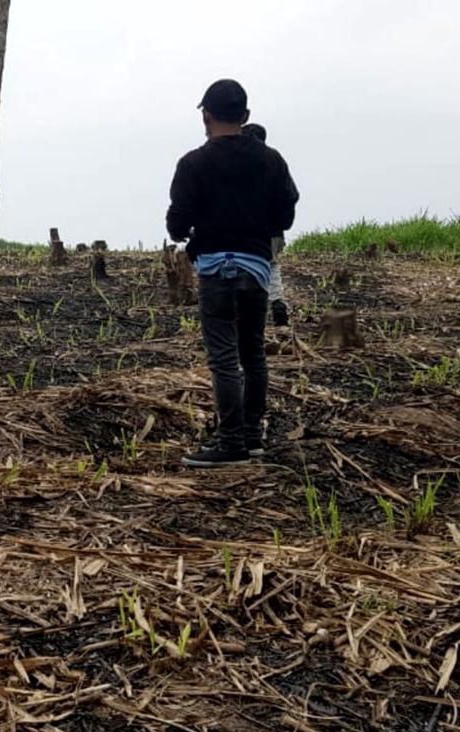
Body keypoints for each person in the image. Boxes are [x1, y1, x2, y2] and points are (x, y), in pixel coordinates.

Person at [167, 79, 299, 467]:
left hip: (214, 269)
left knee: (224, 358)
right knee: (253, 353)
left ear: (206, 116)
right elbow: (284, 215)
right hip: (256, 268)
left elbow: (177, 221)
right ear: (245, 116)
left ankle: (231, 443)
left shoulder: (193, 163)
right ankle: (252, 436)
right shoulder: (271, 160)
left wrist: (187, 231)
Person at [242, 123, 291, 327]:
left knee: (244, 269)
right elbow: (289, 195)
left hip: (245, 230)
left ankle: (249, 313)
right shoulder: (274, 160)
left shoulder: (234, 164)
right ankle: (277, 301)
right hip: (273, 230)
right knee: (271, 267)